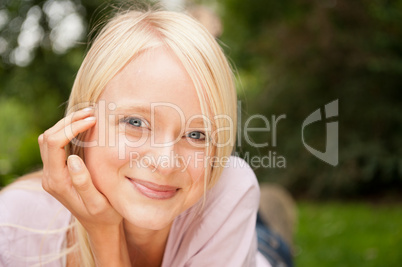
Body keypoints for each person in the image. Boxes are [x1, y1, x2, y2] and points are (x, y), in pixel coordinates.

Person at [0, 7, 293, 267]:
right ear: (81, 124)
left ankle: (266, 216)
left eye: (196, 134)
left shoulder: (231, 189)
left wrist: (104, 233)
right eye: (136, 122)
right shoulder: (13, 229)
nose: (165, 163)